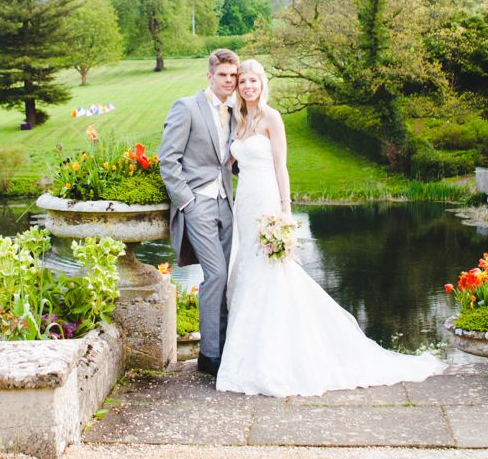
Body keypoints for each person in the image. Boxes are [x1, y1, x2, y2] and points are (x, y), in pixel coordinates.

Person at [217, 59, 446, 397]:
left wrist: (286, 213)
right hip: (244, 203)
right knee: (247, 272)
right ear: (238, 88)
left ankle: (278, 358)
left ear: (262, 84)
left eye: (253, 81)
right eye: (243, 82)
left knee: (272, 273)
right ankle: (245, 356)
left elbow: (281, 167)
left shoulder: (272, 118)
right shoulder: (238, 120)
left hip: (267, 201)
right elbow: (229, 159)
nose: (248, 86)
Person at [157, 48, 239, 375]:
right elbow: (168, 159)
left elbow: (230, 160)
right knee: (215, 274)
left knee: (226, 277)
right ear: (210, 76)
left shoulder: (237, 112)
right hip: (198, 204)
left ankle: (222, 349)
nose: (229, 81)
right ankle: (209, 355)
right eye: (223, 75)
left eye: (233, 76)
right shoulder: (187, 107)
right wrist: (187, 202)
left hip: (227, 203)